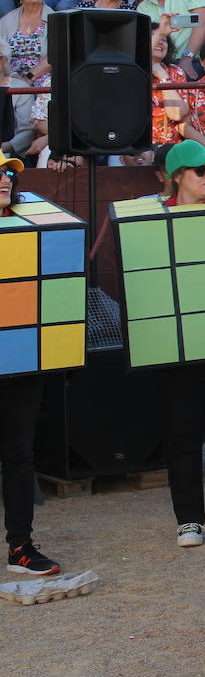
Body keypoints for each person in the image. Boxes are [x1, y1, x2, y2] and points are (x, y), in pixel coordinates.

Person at [155, 139, 205, 546]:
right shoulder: (150, 219)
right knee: (181, 431)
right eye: (200, 170)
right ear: (177, 176)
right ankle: (189, 520)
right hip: (176, 343)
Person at [0, 158, 60, 573]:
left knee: (19, 454)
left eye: (6, 173)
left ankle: (20, 546)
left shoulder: (32, 219)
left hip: (22, 356)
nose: (4, 181)